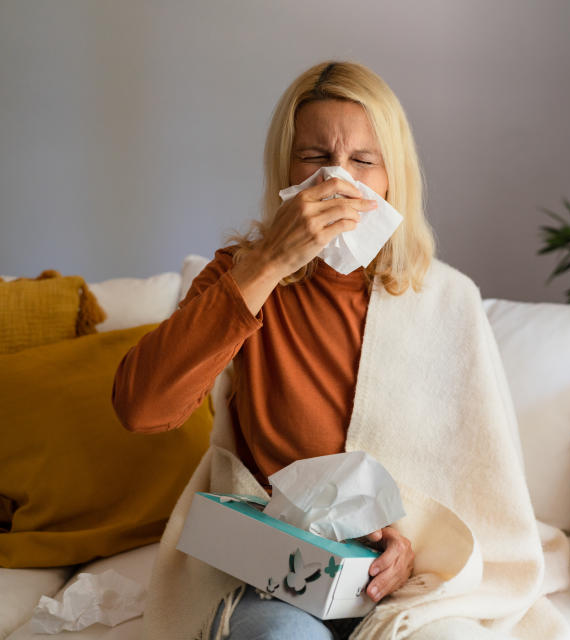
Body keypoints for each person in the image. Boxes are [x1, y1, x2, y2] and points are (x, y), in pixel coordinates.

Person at [112, 60, 428, 639]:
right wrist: (272, 264)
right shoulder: (241, 275)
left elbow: (473, 481)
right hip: (280, 573)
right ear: (285, 169)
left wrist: (415, 539)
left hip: (414, 581)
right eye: (314, 158)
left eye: (362, 161)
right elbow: (143, 408)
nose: (338, 180)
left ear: (392, 176)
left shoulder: (438, 298)